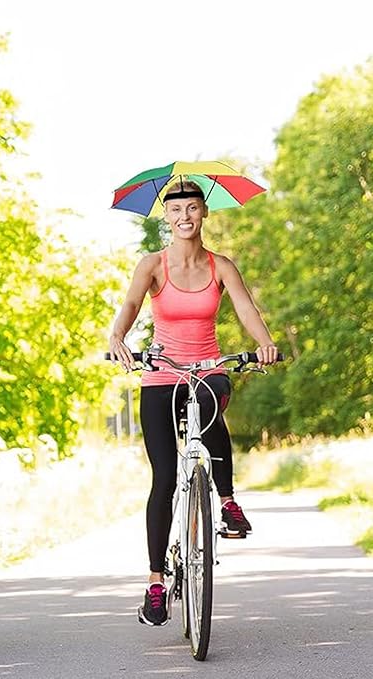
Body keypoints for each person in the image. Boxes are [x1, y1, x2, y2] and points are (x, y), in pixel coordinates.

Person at [108, 179, 279, 626]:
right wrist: (117, 337)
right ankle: (155, 583)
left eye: (192, 208)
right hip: (162, 373)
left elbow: (246, 309)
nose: (184, 216)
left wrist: (265, 344)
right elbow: (129, 305)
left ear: (204, 213)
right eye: (176, 209)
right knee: (164, 477)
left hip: (209, 369)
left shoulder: (221, 265)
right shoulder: (153, 265)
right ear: (166, 217)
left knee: (210, 406)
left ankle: (225, 501)